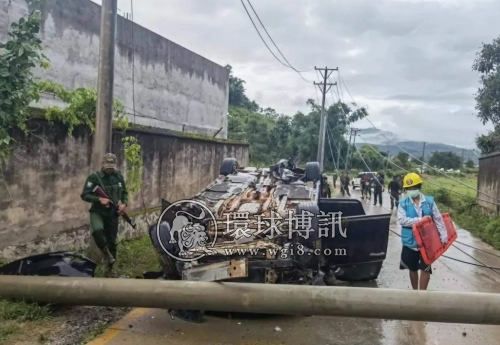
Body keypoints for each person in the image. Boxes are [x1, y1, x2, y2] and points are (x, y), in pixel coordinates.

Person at [81, 153, 129, 277]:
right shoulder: (94, 178)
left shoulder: (118, 176)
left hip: (113, 213)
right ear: (102, 164)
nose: (109, 169)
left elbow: (124, 192)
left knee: (112, 242)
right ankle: (106, 253)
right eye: (107, 166)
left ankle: (110, 270)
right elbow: (85, 195)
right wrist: (99, 199)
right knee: (97, 230)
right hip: (98, 212)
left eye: (111, 166)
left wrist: (124, 204)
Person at [398, 172, 447, 290]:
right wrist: (421, 220)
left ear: (419, 187)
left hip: (427, 242)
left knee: (426, 268)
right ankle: (415, 293)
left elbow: (438, 218)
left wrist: (443, 236)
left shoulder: (429, 202)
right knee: (412, 268)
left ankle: (422, 294)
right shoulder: (402, 203)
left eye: (414, 188)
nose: (412, 190)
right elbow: (402, 220)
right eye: (409, 188)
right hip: (410, 242)